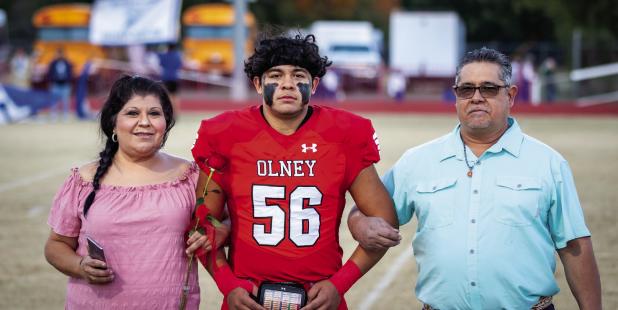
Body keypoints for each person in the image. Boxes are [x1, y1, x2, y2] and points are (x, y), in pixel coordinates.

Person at [348, 47, 602, 309]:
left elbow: (574, 247)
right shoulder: (417, 161)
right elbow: (367, 210)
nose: (477, 97)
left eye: (489, 89)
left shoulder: (549, 163)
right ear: (456, 95)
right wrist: (358, 224)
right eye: (467, 89)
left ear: (511, 95)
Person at [191, 33, 398, 310]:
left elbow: (385, 221)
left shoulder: (344, 134)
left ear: (313, 85)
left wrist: (340, 283)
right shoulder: (225, 133)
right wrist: (228, 285)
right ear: (257, 83)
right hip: (249, 295)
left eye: (298, 75)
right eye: (275, 75)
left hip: (319, 298)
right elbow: (203, 228)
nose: (287, 84)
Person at [44, 75, 213, 309]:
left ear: (166, 122)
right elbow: (56, 245)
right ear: (113, 122)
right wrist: (79, 265)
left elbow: (222, 223)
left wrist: (213, 232)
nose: (144, 122)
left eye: (154, 114)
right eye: (132, 113)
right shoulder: (83, 180)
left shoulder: (190, 176)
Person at [47, 48, 73, 121]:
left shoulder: (67, 63)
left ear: (63, 54)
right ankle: (53, 115)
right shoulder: (53, 63)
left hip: (65, 84)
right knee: (54, 101)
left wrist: (69, 82)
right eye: (58, 54)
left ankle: (65, 116)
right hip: (55, 84)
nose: (60, 55)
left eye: (61, 53)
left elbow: (70, 74)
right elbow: (49, 74)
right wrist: (51, 83)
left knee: (65, 101)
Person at [158, 43, 183, 113]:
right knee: (176, 96)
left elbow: (161, 63)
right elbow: (180, 65)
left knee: (168, 95)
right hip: (175, 77)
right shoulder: (177, 56)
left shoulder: (164, 56)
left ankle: (170, 111)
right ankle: (177, 111)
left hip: (166, 77)